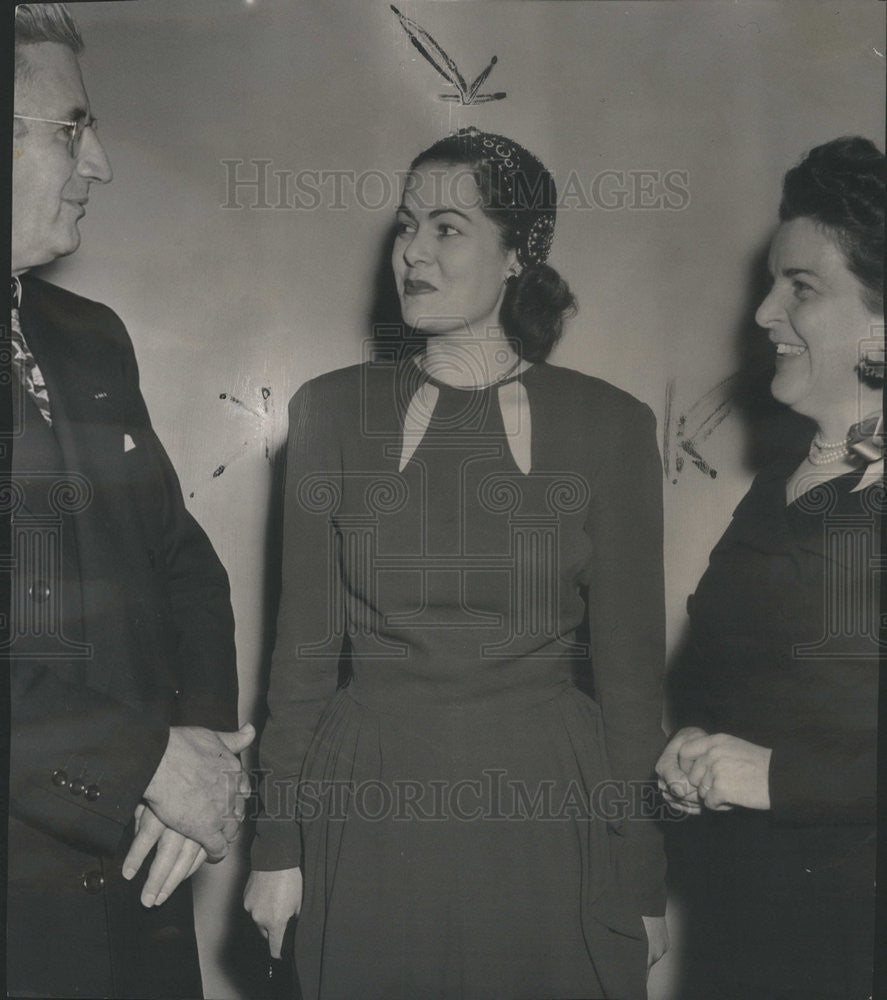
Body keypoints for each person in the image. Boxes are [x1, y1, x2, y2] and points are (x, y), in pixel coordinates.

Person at [245, 127, 668, 999]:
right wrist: (277, 847)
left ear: (518, 254)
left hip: (547, 806)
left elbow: (631, 685)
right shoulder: (328, 412)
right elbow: (300, 661)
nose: (412, 253)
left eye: (447, 229)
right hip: (369, 801)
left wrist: (641, 872)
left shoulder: (610, 428)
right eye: (406, 227)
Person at [7, 5, 255, 997]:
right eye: (71, 129)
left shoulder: (88, 335)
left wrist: (193, 770)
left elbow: (181, 563)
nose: (99, 163)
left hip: (138, 870)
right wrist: (147, 762)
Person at [656, 136, 884, 1000]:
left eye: (801, 287)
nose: (760, 313)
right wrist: (693, 754)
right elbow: (733, 685)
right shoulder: (774, 488)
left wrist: (778, 778)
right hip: (748, 934)